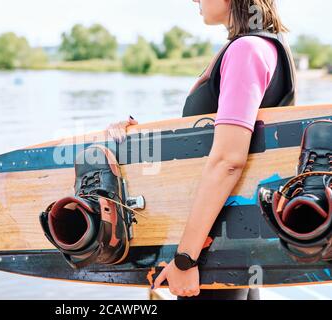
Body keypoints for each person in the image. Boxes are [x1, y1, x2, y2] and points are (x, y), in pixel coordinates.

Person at [107, 0, 296, 300]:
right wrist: (141, 140)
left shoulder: (247, 50)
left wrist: (185, 258)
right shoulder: (262, 46)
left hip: (210, 253)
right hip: (232, 246)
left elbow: (227, 162)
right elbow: (217, 148)